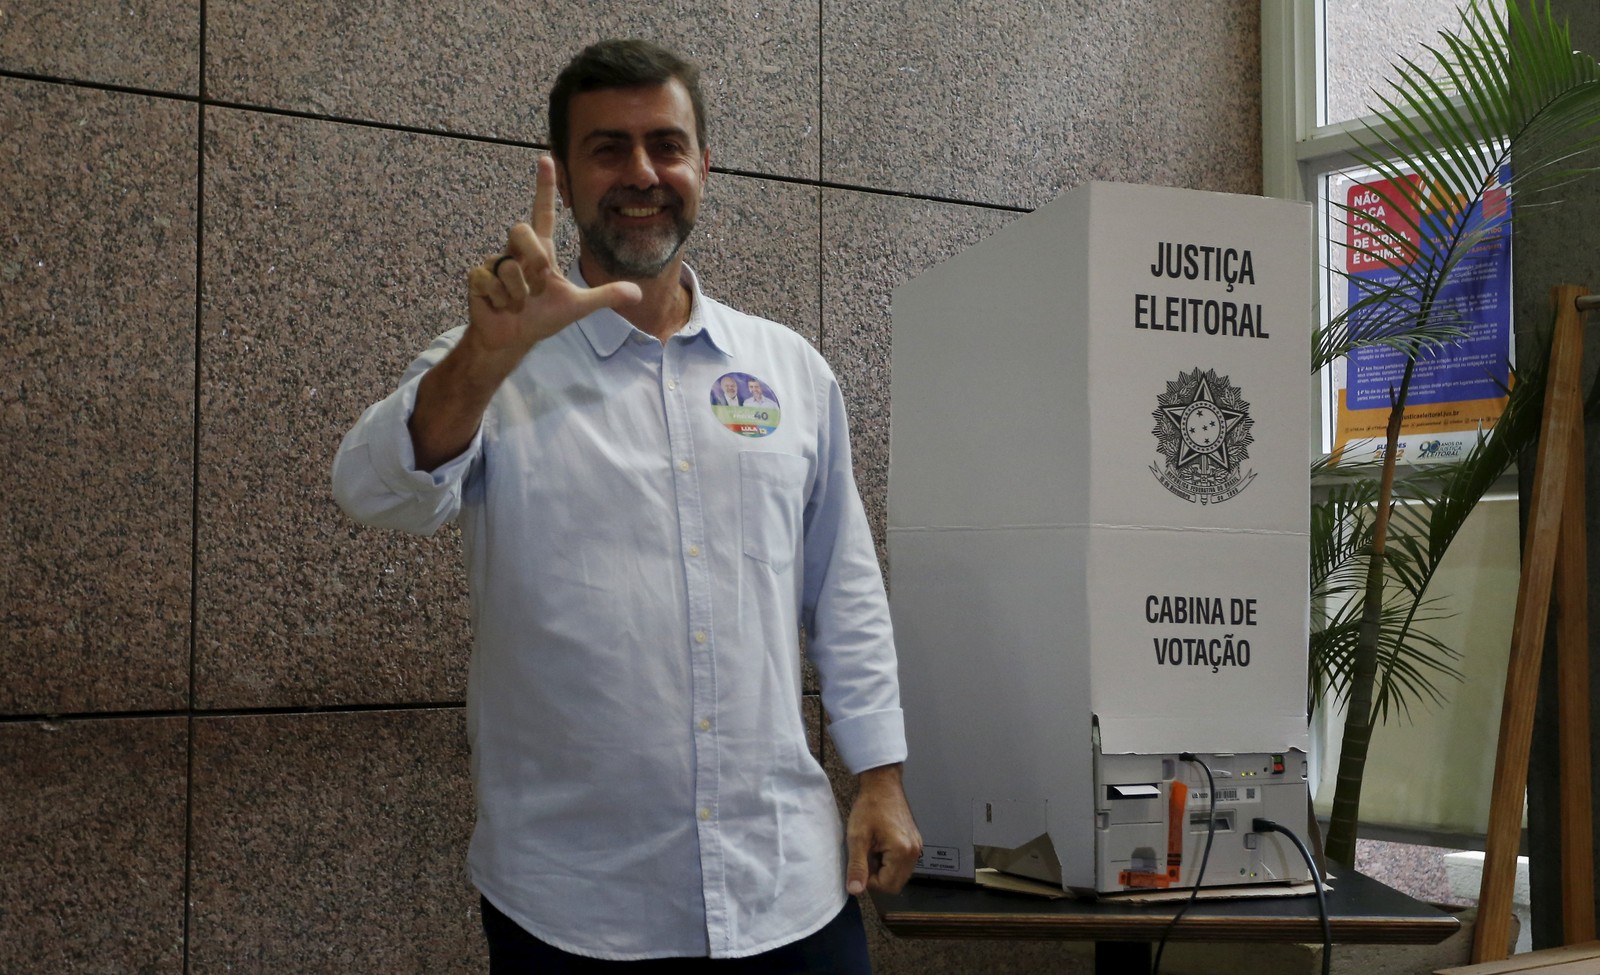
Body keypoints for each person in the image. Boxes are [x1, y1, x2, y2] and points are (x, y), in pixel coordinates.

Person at [331, 38, 920, 972]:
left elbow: (843, 590)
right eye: (607, 149)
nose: (641, 173)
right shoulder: (490, 360)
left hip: (787, 890)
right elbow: (370, 489)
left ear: (703, 167)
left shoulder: (790, 372)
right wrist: (484, 360)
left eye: (666, 145)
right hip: (575, 907)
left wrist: (880, 777)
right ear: (563, 181)